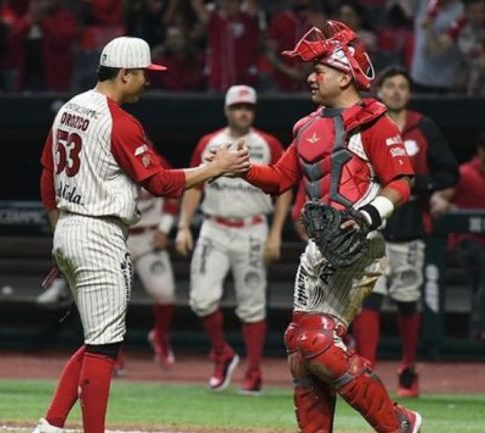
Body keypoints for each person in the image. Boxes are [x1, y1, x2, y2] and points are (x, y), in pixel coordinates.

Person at [33, 36, 249, 433]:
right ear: (125, 74)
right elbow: (161, 183)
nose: (148, 81)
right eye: (144, 74)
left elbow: (48, 177)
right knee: (104, 346)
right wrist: (216, 168)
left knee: (96, 338)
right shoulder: (119, 121)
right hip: (99, 231)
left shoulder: (69, 107)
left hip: (69, 227)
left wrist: (59, 233)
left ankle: (51, 424)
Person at [236, 21, 421, 433]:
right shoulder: (306, 126)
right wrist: (242, 168)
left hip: (359, 243)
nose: (311, 77)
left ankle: (397, 423)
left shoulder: (374, 122)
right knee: (299, 348)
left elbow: (401, 183)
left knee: (317, 342)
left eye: (320, 69)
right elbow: (281, 180)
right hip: (320, 248)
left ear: (344, 75)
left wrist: (368, 216)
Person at [175, 85, 293, 395]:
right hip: (214, 227)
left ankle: (253, 371)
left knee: (252, 304)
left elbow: (284, 186)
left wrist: (276, 232)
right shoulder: (209, 143)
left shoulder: (267, 143)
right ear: (227, 110)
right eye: (238, 107)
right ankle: (223, 353)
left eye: (249, 108)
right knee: (201, 299)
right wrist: (183, 226)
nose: (244, 112)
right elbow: (193, 184)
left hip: (253, 228)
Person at [351, 65, 459, 398]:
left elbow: (450, 172)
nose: (397, 91)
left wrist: (416, 184)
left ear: (409, 93)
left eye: (403, 86)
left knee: (407, 302)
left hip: (411, 226)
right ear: (379, 90)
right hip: (373, 223)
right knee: (368, 296)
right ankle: (365, 367)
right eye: (391, 85)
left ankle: (408, 366)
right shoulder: (364, 124)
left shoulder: (423, 127)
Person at [36, 191, 181, 371]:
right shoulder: (105, 168)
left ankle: (160, 336)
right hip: (115, 236)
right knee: (112, 300)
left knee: (164, 292)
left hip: (149, 237)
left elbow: (173, 192)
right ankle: (111, 352)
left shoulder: (154, 161)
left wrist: (165, 229)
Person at [432, 132, 485, 341]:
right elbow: (439, 197)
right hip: (466, 243)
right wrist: (444, 204)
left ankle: (476, 334)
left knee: (483, 279)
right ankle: (479, 329)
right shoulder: (465, 173)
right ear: (481, 152)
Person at [425, 0, 485, 95]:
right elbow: (436, 49)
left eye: (482, 11)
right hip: (482, 84)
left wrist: (470, 91)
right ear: (465, 12)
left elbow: (484, 65)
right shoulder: (461, 23)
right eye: (473, 12)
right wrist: (429, 29)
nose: (478, 16)